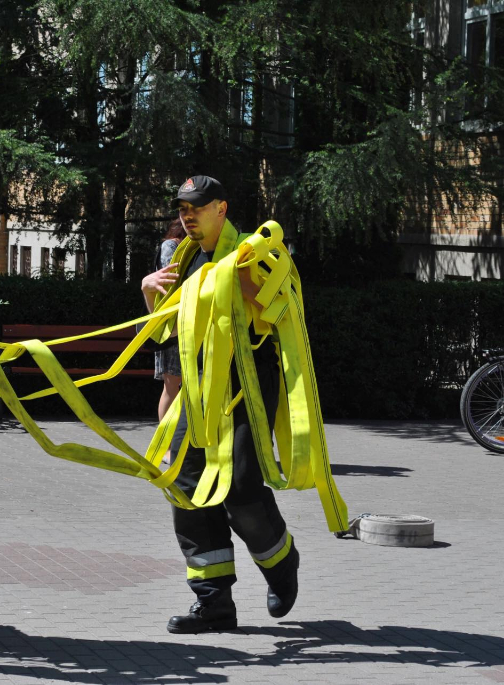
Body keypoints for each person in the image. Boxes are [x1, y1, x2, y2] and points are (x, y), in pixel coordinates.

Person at [140, 175, 299, 634]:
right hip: (197, 389)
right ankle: (213, 603)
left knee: (242, 488)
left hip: (246, 385)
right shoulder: (185, 259)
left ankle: (281, 564)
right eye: (182, 208)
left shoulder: (253, 250)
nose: (187, 215)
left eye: (197, 206)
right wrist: (150, 293)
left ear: (221, 209)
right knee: (185, 485)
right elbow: (164, 338)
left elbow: (278, 312)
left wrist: (244, 280)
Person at [153, 219, 186, 423]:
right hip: (171, 324)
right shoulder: (171, 246)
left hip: (191, 323)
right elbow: (169, 280)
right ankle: (165, 446)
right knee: (171, 385)